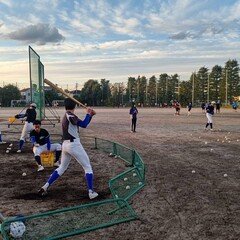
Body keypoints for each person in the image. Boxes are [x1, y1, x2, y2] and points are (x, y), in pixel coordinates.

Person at [38, 98, 98, 200]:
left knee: (62, 168)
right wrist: (88, 114)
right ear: (74, 107)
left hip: (65, 145)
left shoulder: (66, 115)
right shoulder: (70, 115)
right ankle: (91, 192)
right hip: (73, 144)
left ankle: (45, 186)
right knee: (88, 167)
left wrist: (90, 115)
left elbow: (84, 123)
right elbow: (83, 124)